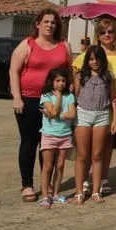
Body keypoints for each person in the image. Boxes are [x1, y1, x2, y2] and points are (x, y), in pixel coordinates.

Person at [9, 9, 73, 203]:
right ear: (37, 24)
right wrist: (17, 98)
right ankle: (27, 184)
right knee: (30, 142)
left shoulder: (64, 46)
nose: (49, 25)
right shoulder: (26, 45)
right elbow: (14, 71)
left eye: (53, 22)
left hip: (57, 103)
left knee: (51, 144)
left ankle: (48, 185)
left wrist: (70, 96)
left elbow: (69, 73)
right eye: (45, 21)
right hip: (29, 100)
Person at [72, 18, 116, 197]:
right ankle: (84, 180)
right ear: (97, 36)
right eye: (103, 32)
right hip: (90, 107)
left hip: (114, 106)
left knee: (107, 145)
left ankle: (103, 179)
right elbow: (76, 72)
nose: (107, 35)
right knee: (86, 147)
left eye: (110, 32)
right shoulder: (89, 54)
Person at [72, 45, 116, 205]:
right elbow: (74, 97)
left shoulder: (108, 77)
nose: (94, 62)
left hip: (102, 116)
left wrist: (115, 120)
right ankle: (79, 191)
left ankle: (96, 191)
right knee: (82, 154)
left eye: (97, 59)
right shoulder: (80, 76)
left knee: (97, 155)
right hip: (83, 115)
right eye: (91, 59)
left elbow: (113, 100)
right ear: (87, 60)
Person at [38, 68, 76, 208]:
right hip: (49, 135)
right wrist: (59, 98)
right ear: (52, 82)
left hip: (65, 135)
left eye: (63, 81)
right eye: (58, 81)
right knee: (47, 166)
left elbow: (72, 114)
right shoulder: (46, 96)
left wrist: (57, 114)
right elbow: (53, 111)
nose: (61, 84)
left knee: (60, 166)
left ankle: (55, 193)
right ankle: (44, 196)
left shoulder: (70, 96)